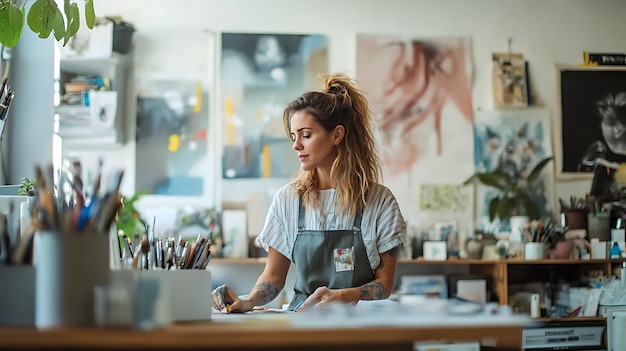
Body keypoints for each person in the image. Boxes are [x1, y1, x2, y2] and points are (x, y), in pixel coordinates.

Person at [212, 73, 407, 312]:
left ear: (336, 135)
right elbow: (273, 277)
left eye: (306, 135)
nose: (296, 145)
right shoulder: (288, 200)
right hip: (302, 325)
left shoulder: (379, 202)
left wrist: (345, 296)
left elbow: (384, 284)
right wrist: (249, 301)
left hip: (359, 329)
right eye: (294, 137)